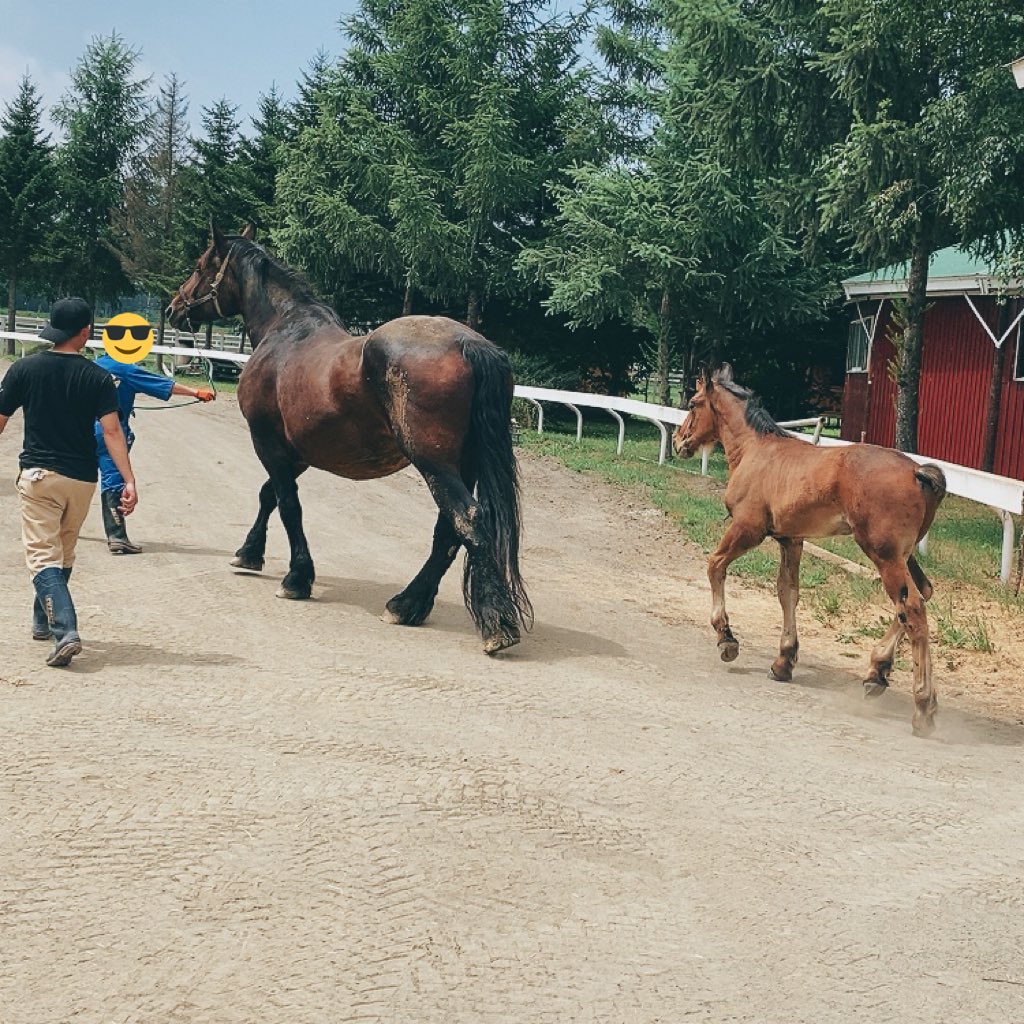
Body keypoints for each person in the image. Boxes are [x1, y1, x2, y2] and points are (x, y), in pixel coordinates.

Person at [0, 298, 138, 667]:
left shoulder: (23, 369)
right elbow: (112, 432)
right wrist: (129, 480)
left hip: (39, 477)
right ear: (85, 332)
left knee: (42, 555)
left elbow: (0, 419)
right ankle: (42, 621)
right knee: (62, 551)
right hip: (81, 479)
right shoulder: (98, 377)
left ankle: (66, 630)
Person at [93, 350, 215, 554]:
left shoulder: (93, 365)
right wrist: (195, 393)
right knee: (113, 479)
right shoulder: (126, 369)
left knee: (74, 476)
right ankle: (117, 536)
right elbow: (163, 384)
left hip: (78, 429)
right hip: (110, 429)